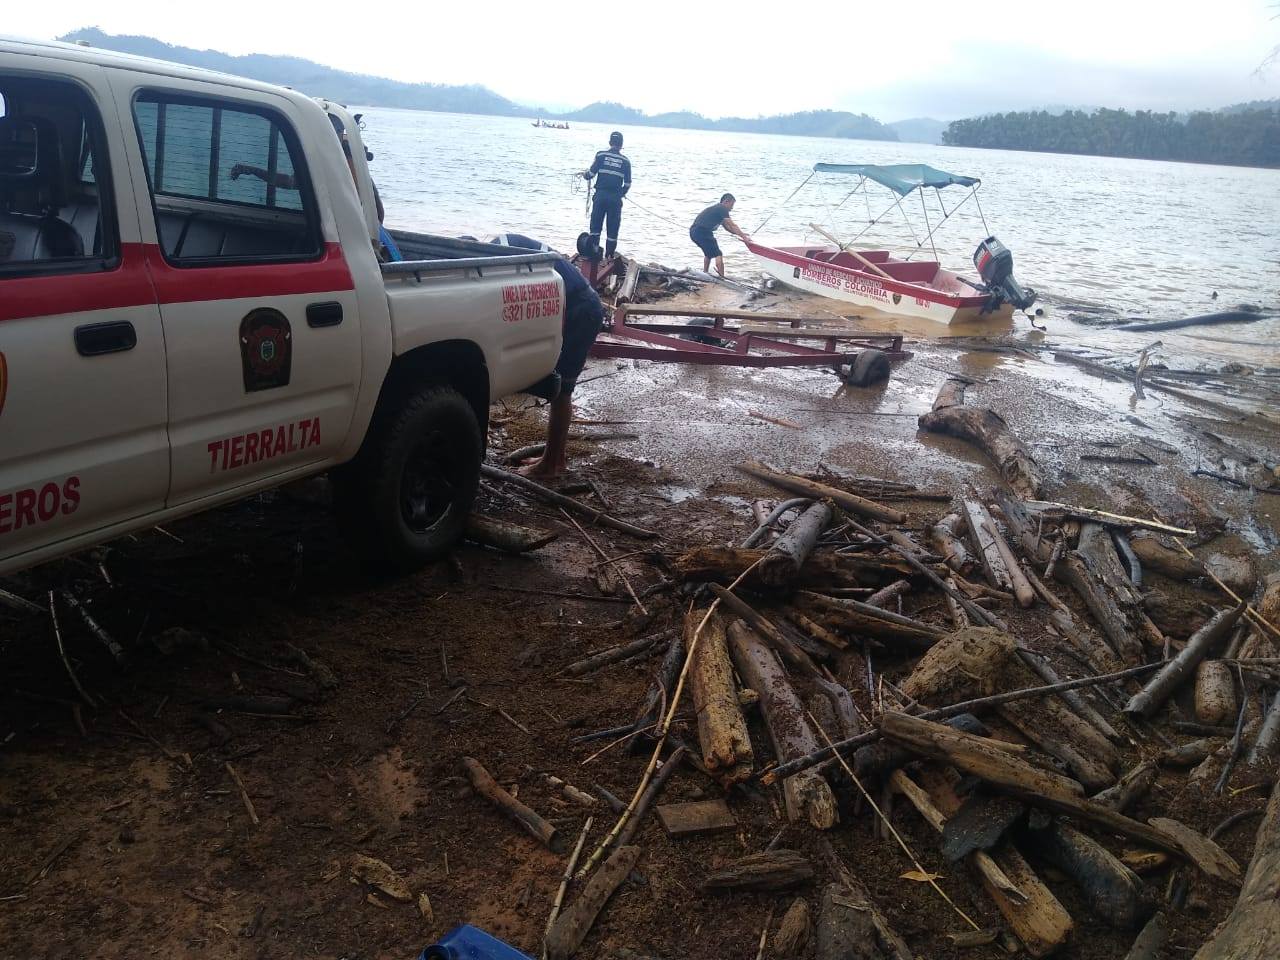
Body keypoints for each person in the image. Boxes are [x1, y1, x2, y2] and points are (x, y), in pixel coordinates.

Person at [490, 233, 605, 480]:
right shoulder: (503, 246)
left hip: (581, 308)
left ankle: (552, 464)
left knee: (562, 390)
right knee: (556, 387)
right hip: (569, 303)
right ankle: (554, 458)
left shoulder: (500, 255)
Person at [582, 131, 631, 259]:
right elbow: (627, 184)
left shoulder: (601, 155)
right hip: (615, 199)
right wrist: (621, 194)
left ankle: (594, 256)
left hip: (600, 197)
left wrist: (585, 174)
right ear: (621, 145)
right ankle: (609, 257)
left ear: (610, 143)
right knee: (612, 229)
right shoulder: (626, 161)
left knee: (595, 227)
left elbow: (590, 175)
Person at [689, 193, 751, 277]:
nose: (732, 208)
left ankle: (705, 273)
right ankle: (722, 278)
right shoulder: (722, 208)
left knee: (709, 253)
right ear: (726, 202)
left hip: (694, 232)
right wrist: (744, 237)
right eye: (732, 205)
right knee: (718, 253)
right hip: (702, 232)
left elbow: (728, 228)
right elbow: (732, 225)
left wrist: (740, 234)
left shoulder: (718, 210)